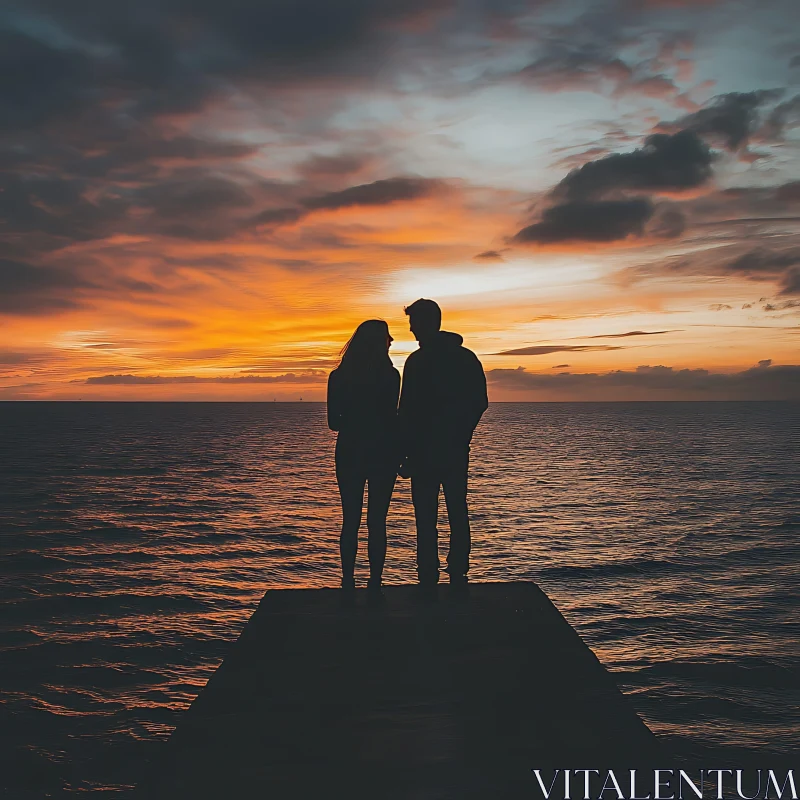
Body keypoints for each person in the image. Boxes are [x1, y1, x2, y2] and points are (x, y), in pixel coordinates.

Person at [398, 299, 488, 586]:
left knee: (430, 514)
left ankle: (433, 571)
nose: (411, 330)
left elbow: (406, 410)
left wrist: (406, 450)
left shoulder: (420, 361)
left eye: (415, 323)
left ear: (428, 323)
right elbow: (478, 403)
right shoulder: (464, 357)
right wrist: (462, 434)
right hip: (448, 448)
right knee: (454, 510)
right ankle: (454, 569)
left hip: (431, 449)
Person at [327, 320, 400, 591]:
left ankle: (348, 581)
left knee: (351, 519)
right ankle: (375, 582)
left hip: (350, 450)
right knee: (377, 520)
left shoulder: (339, 376)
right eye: (386, 337)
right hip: (383, 450)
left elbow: (334, 422)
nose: (391, 340)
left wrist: (355, 420)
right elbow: (392, 418)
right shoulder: (390, 376)